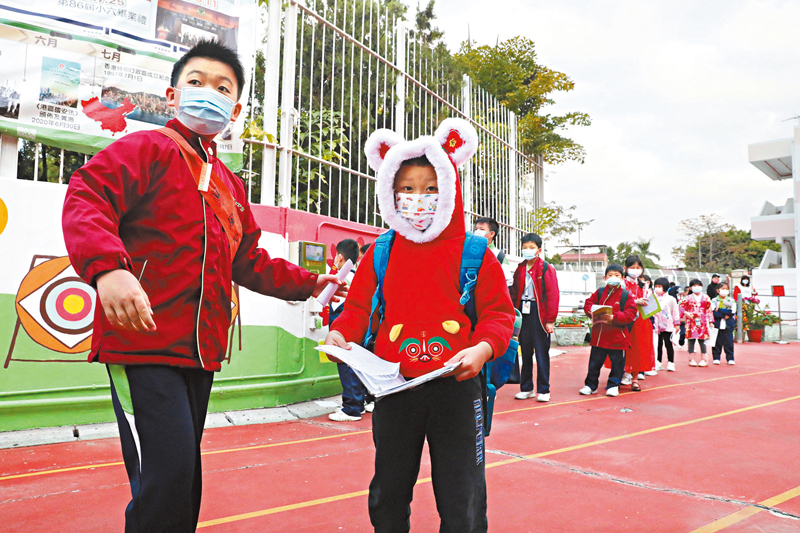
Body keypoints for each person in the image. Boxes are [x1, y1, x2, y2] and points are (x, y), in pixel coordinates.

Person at [61, 41, 346, 533]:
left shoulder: (231, 187)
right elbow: (87, 195)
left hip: (200, 354)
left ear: (235, 109)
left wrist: (311, 282)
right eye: (195, 83)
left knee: (183, 483)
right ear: (172, 96)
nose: (207, 94)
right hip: (142, 345)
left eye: (222, 87)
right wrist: (108, 269)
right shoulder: (145, 148)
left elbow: (250, 261)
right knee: (165, 480)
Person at [325, 119, 515, 532]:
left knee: (461, 493)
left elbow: (500, 315)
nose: (418, 199)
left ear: (450, 187)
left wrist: (483, 349)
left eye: (430, 188)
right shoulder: (382, 250)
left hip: (458, 389)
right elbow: (358, 309)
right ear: (390, 193)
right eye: (406, 189)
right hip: (395, 389)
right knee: (388, 491)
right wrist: (341, 334)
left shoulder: (475, 252)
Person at [509, 233, 559, 402]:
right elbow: (514, 292)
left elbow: (552, 294)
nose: (527, 250)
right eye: (524, 247)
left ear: (539, 249)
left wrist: (550, 320)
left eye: (531, 248)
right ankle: (527, 388)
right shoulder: (520, 268)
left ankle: (544, 389)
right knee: (526, 351)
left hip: (540, 313)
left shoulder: (546, 268)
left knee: (541, 353)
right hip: (524, 312)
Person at [328, 239, 373, 421]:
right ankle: (359, 403)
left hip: (343, 329)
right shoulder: (358, 278)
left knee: (346, 366)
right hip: (360, 332)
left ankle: (351, 408)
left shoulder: (339, 279)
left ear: (339, 256)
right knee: (357, 366)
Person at [580, 264, 638, 397]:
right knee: (594, 363)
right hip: (599, 336)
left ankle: (613, 385)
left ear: (622, 278)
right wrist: (591, 311)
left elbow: (631, 313)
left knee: (617, 364)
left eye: (617, 275)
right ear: (605, 277)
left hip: (618, 337)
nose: (613, 278)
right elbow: (588, 304)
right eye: (610, 275)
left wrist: (615, 317)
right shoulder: (600, 292)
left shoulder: (625, 295)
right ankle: (590, 385)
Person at [619, 256, 653, 391]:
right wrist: (634, 302)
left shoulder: (644, 285)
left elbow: (648, 301)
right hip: (626, 319)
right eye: (632, 267)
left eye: (638, 267)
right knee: (624, 347)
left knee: (638, 348)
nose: (635, 270)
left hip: (641, 320)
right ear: (626, 269)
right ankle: (623, 373)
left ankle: (635, 378)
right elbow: (619, 300)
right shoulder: (622, 284)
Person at [680, 279, 714, 367]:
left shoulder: (706, 297)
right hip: (691, 321)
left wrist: (710, 321)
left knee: (702, 340)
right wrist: (686, 313)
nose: (697, 287)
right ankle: (691, 358)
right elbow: (681, 307)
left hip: (702, 321)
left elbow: (709, 309)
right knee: (691, 340)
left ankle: (704, 359)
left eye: (698, 285)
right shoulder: (688, 297)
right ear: (691, 288)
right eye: (694, 286)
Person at [474, 216, 513, 287]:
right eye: (476, 229)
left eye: (482, 229)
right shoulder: (469, 251)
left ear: (491, 234)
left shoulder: (499, 255)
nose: (477, 232)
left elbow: (508, 281)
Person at [653, 277, 680, 372]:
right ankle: (658, 362)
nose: (657, 288)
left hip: (667, 325)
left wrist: (676, 324)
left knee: (668, 344)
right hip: (656, 326)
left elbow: (675, 312)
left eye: (659, 286)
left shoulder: (670, 299)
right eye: (656, 286)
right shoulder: (653, 298)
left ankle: (671, 362)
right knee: (658, 344)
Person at [711, 282, 736, 365]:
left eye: (726, 289)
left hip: (728, 324)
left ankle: (730, 358)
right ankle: (716, 357)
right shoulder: (714, 300)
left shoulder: (731, 300)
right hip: (717, 323)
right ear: (718, 290)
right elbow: (713, 312)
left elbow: (732, 311)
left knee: (729, 342)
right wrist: (724, 314)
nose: (725, 290)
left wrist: (720, 310)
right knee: (717, 341)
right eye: (723, 289)